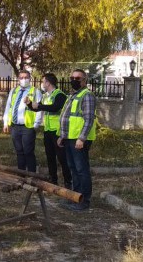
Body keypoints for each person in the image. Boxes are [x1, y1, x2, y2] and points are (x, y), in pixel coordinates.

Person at [57, 69, 97, 211]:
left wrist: (82, 138)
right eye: (72, 77)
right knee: (73, 168)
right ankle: (75, 197)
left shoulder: (87, 96)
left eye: (77, 78)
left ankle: (84, 200)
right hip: (69, 138)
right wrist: (62, 135)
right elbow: (67, 117)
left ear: (84, 80)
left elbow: (88, 119)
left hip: (79, 139)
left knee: (81, 169)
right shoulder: (72, 95)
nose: (74, 80)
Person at [26, 73, 72, 189]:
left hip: (58, 131)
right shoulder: (45, 96)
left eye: (43, 81)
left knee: (62, 157)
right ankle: (53, 179)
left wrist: (39, 106)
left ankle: (68, 181)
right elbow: (37, 107)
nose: (42, 84)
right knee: (50, 156)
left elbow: (55, 107)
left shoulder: (59, 95)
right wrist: (30, 104)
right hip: (48, 130)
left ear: (48, 83)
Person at [3, 70, 43, 172]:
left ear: (30, 79)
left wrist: (36, 124)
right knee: (19, 151)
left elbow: (39, 109)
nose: (23, 79)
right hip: (15, 126)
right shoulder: (14, 91)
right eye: (21, 78)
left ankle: (31, 175)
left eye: (26, 77)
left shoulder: (35, 91)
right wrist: (5, 122)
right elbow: (9, 107)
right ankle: (21, 173)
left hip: (28, 126)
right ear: (18, 79)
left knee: (28, 151)